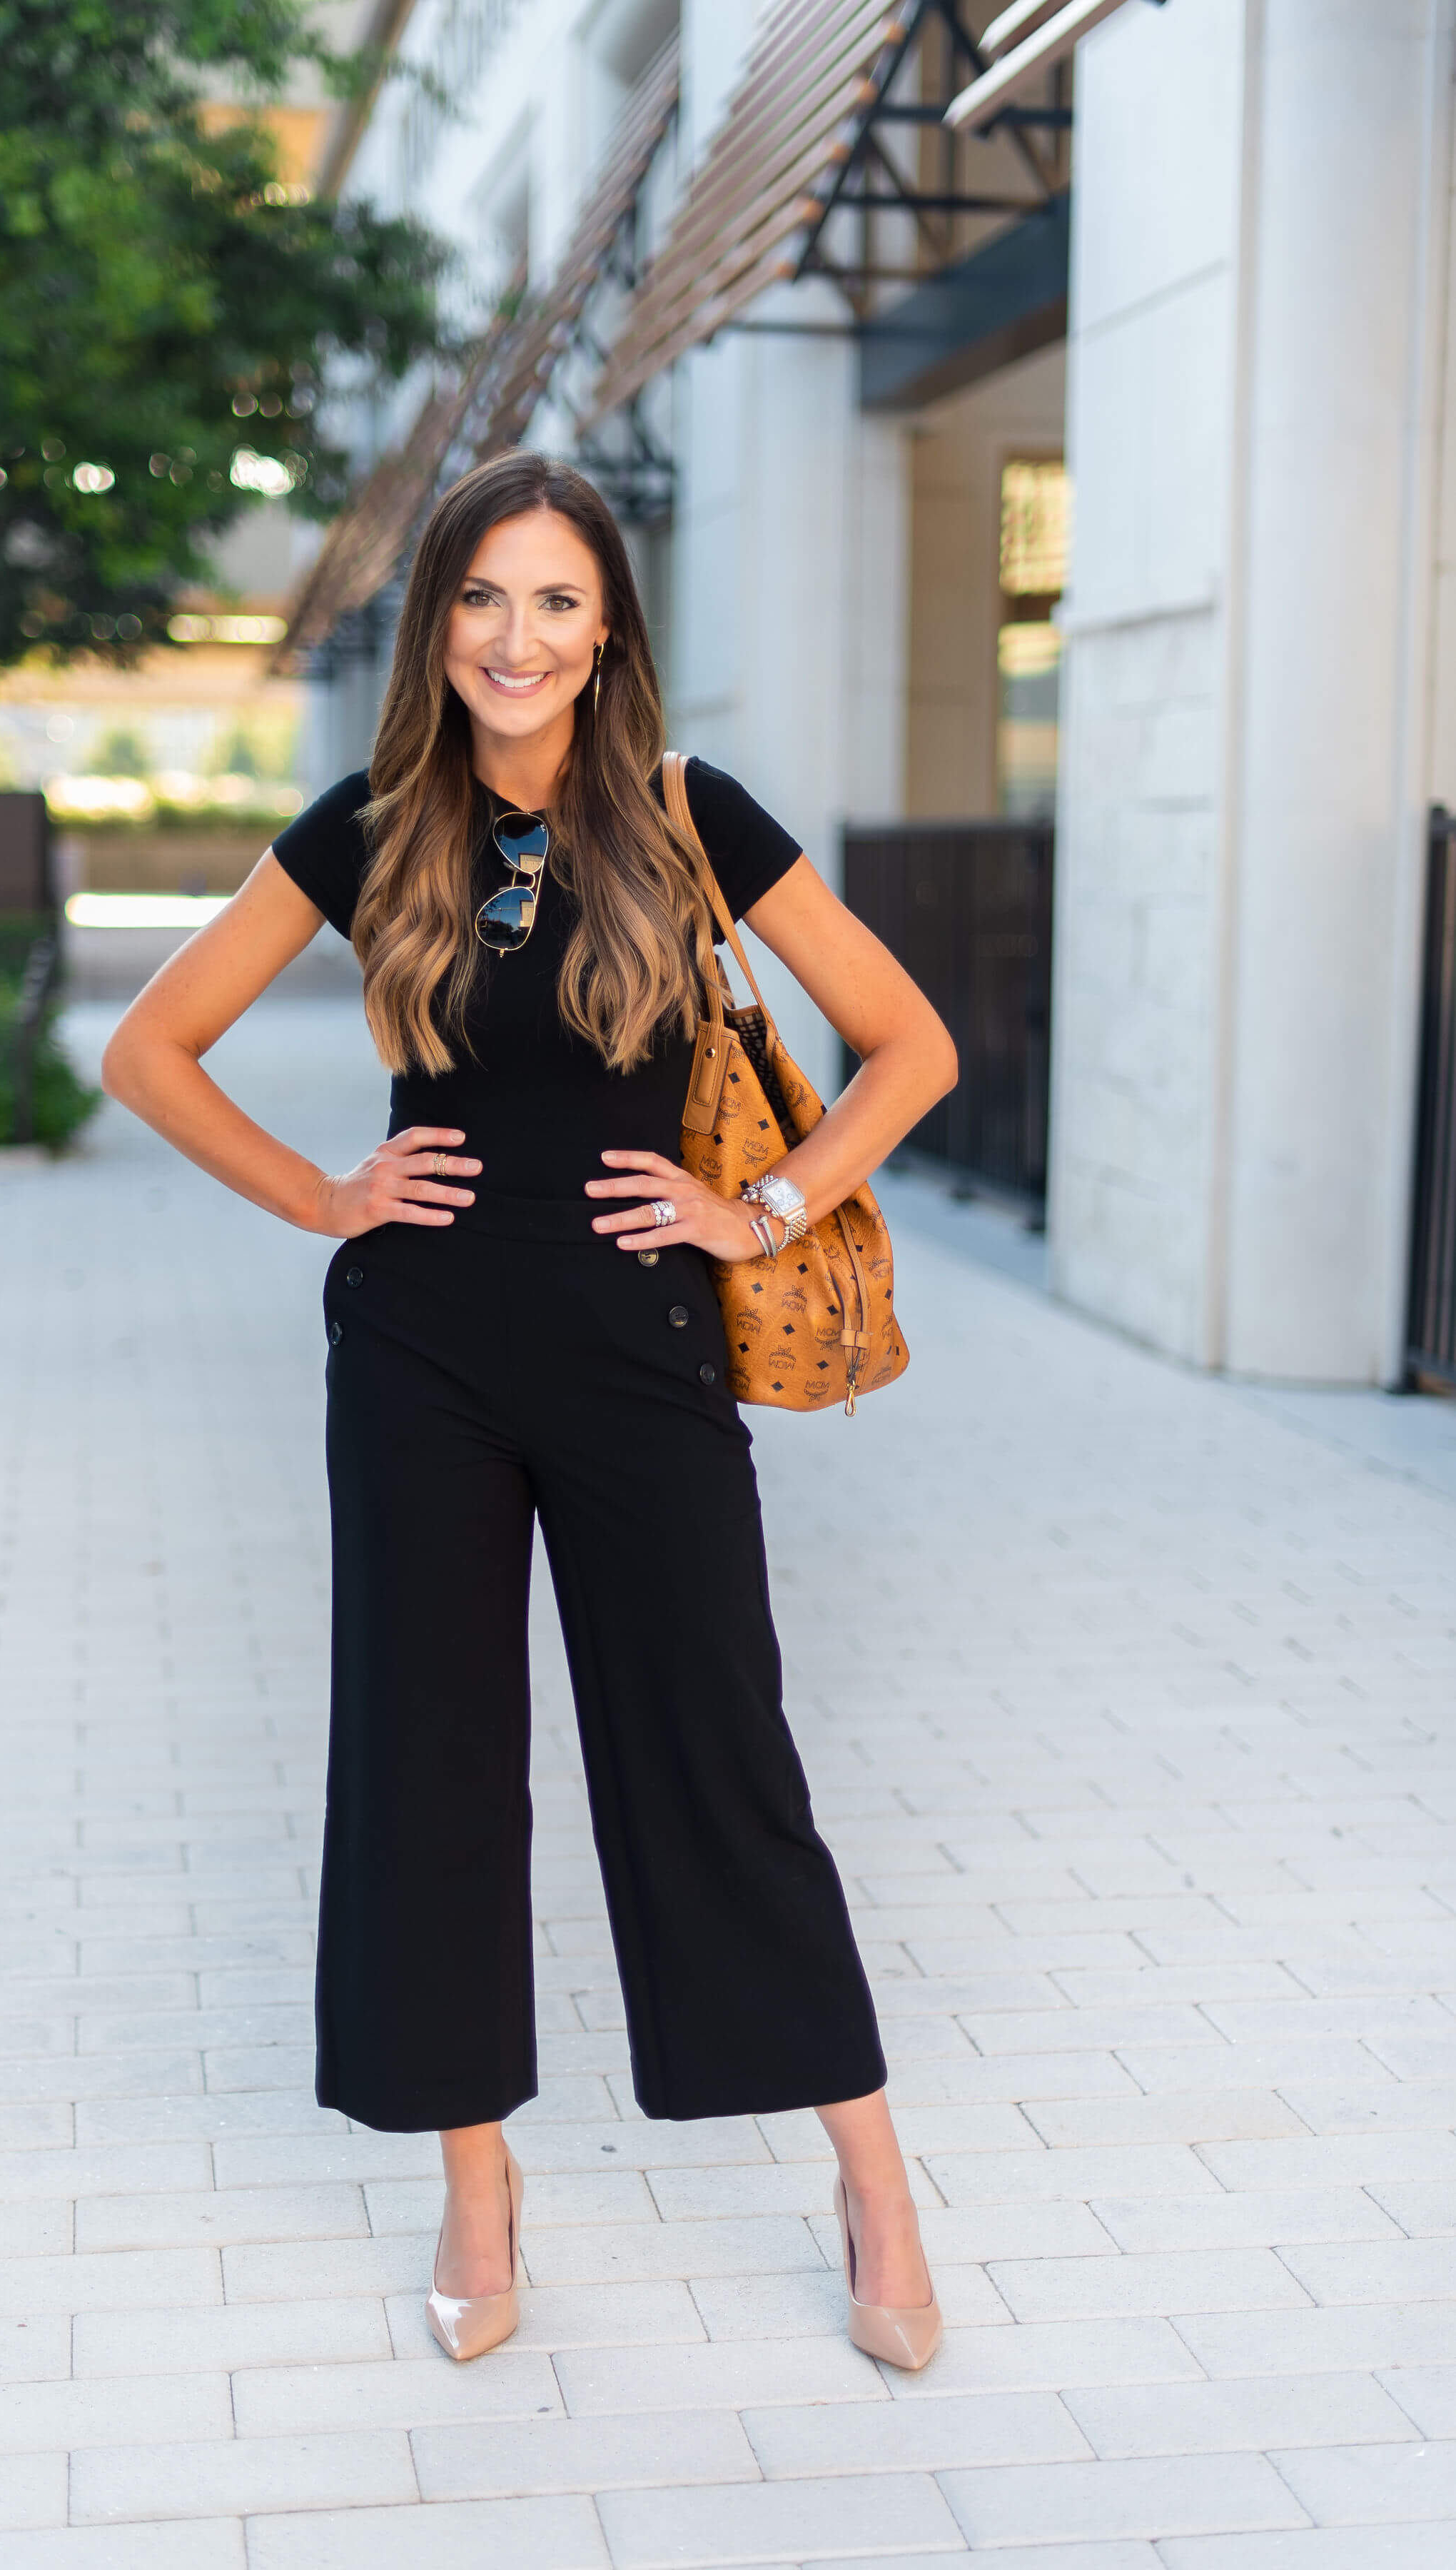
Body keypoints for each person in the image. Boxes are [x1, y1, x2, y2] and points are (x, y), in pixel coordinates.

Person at [102, 449, 958, 2369]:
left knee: (717, 1754)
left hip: (645, 1351)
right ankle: (475, 2186)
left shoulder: (683, 814)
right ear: (439, 624)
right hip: (417, 1357)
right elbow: (147, 1046)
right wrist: (323, 1196)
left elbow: (914, 1042)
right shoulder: (370, 821)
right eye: (483, 599)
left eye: (556, 600)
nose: (517, 637)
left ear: (607, 627)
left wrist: (760, 1206)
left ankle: (872, 2173)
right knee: (426, 1774)